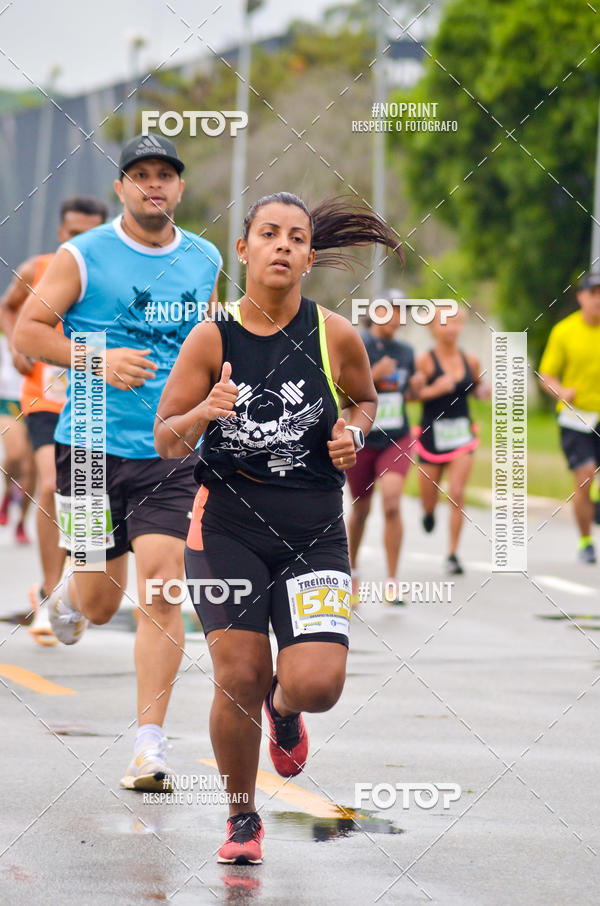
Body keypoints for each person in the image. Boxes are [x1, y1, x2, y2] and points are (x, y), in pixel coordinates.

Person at [155, 192, 401, 865]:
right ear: (244, 250)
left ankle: (284, 706)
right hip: (228, 525)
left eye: (296, 237)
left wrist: (352, 430)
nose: (283, 245)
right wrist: (206, 408)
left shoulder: (334, 335)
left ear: (308, 257)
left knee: (318, 685)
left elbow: (364, 398)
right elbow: (168, 439)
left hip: (314, 529)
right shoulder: (213, 337)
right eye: (269, 234)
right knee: (237, 672)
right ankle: (241, 818)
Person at [13, 134, 221, 787]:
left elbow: (207, 334)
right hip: (91, 444)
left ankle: (149, 747)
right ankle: (72, 599)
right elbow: (28, 333)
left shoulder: (204, 257)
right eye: (140, 175)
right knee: (103, 603)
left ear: (179, 189)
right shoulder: (84, 255)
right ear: (122, 189)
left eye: (165, 175)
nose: (153, 185)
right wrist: (96, 360)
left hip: (169, 449)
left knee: (162, 586)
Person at [0, 196, 108, 645]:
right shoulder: (38, 268)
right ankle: (47, 595)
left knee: (84, 493)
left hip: (95, 398)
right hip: (46, 397)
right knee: (48, 483)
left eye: (91, 232)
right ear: (61, 233)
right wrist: (16, 345)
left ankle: (73, 587)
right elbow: (10, 307)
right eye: (72, 232)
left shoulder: (115, 273)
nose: (80, 240)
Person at [346, 292, 425, 606]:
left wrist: (417, 389)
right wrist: (372, 377)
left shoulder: (406, 351)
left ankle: (392, 582)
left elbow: (407, 395)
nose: (397, 318)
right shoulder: (357, 344)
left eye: (401, 313)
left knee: (392, 501)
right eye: (390, 311)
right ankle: (351, 573)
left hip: (397, 436)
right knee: (361, 510)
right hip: (363, 436)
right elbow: (340, 393)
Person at [413, 306, 490, 575]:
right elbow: (411, 395)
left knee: (457, 493)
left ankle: (453, 553)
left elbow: (478, 385)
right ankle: (429, 512)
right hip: (431, 436)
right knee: (428, 497)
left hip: (461, 435)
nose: (452, 328)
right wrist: (435, 389)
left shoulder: (471, 360)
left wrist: (482, 391)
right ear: (432, 328)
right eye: (445, 323)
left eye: (457, 322)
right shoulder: (424, 360)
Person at [538, 271, 600, 563]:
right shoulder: (564, 331)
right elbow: (546, 375)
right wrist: (561, 390)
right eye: (593, 292)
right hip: (576, 417)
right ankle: (586, 541)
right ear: (581, 297)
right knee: (585, 477)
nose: (598, 299)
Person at [0, 332, 35, 545]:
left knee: (31, 469)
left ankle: (21, 521)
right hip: (8, 401)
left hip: (36, 400)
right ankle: (8, 492)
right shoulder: (6, 325)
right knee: (15, 454)